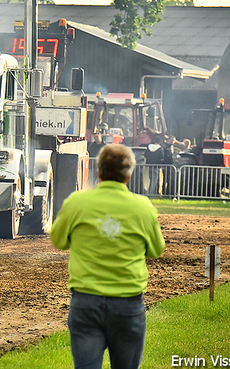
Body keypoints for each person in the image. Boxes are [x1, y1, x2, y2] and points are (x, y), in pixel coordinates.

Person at [49, 144, 165, 369]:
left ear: (98, 171)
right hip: (128, 303)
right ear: (129, 174)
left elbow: (58, 240)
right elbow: (156, 250)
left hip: (86, 301)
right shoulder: (143, 208)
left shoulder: (77, 202)